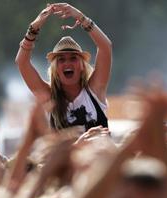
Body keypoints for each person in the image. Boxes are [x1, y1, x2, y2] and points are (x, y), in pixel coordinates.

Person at [15, 3, 112, 132]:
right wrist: (33, 28)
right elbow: (22, 62)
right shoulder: (49, 97)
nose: (67, 63)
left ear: (82, 66)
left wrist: (80, 17)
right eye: (61, 59)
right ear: (55, 68)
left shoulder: (94, 91)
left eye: (73, 58)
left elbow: (106, 47)